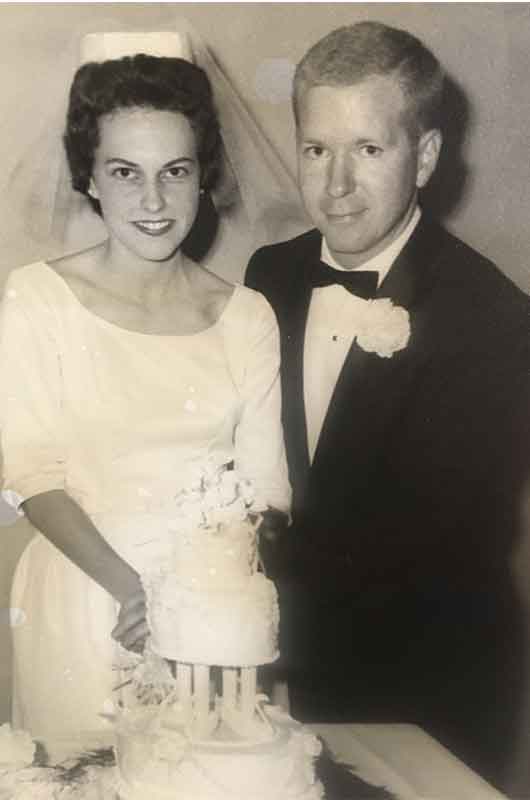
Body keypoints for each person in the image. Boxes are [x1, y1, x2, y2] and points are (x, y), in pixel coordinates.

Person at [246, 20, 530, 790]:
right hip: (284, 688)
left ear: (426, 156)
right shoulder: (267, 276)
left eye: (368, 150)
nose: (334, 186)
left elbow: (439, 548)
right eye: (316, 150)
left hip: (424, 697)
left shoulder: (493, 319)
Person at [0, 45, 290, 760]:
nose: (153, 202)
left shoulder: (247, 315)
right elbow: (31, 472)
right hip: (84, 598)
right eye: (125, 173)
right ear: (89, 178)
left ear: (203, 177)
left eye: (176, 172)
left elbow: (266, 490)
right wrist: (136, 593)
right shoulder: (36, 298)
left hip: (210, 615)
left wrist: (194, 603)